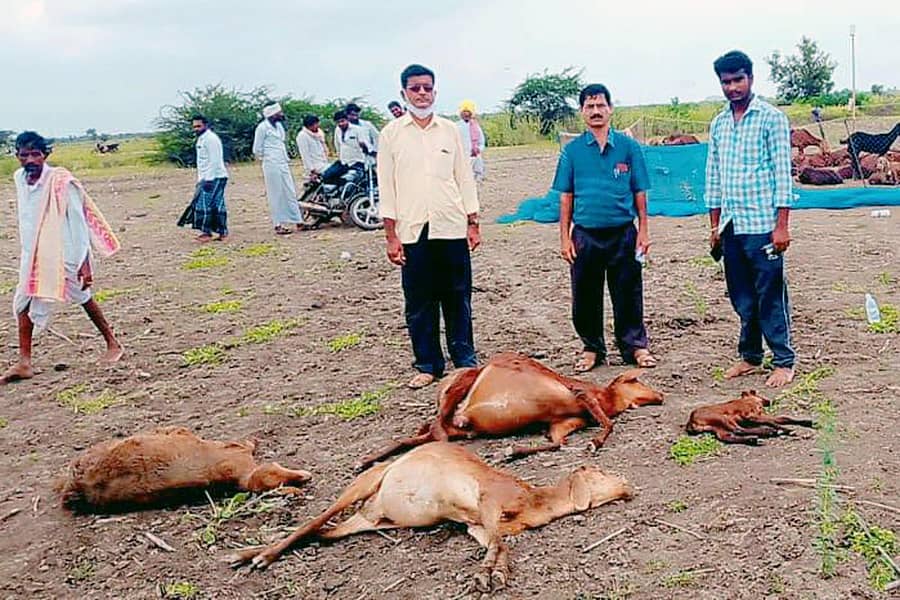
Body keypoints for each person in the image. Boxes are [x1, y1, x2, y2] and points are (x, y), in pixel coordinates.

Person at [378, 64, 480, 389]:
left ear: (435, 91)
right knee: (420, 301)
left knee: (458, 296)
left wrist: (472, 222)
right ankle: (428, 364)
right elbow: (387, 186)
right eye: (415, 88)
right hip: (412, 231)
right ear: (403, 93)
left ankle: (464, 360)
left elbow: (464, 177)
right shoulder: (391, 134)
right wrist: (391, 236)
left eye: (427, 88)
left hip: (450, 227)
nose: (422, 94)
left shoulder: (450, 130)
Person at [1, 132, 123, 385]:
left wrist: (84, 261)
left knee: (83, 297)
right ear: (17, 156)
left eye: (36, 154)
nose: (31, 159)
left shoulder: (61, 181)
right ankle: (25, 362)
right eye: (25, 155)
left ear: (47, 154)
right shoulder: (18, 179)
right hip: (32, 254)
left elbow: (78, 223)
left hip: (64, 252)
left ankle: (113, 343)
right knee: (22, 303)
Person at [705, 50, 795, 388]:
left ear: (751, 79)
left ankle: (783, 360)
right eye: (725, 82)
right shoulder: (719, 124)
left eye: (737, 80)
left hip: (763, 225)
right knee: (741, 295)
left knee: (770, 293)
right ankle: (750, 356)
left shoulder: (771, 118)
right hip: (732, 225)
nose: (732, 87)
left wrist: (782, 225)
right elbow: (713, 177)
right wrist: (714, 226)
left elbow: (782, 175)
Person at [552, 84, 657, 372]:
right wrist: (565, 238)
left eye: (601, 105)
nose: (596, 111)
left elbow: (640, 191)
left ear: (610, 109)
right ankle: (592, 348)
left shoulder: (628, 147)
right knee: (585, 294)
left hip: (624, 232)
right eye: (589, 106)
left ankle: (634, 346)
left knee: (628, 291)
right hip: (585, 234)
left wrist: (644, 231)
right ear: (582, 111)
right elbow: (565, 197)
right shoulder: (572, 151)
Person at [252, 102, 303, 235]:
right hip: (271, 164)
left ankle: (298, 221)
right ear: (271, 114)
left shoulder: (279, 126)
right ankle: (278, 224)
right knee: (276, 193)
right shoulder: (262, 128)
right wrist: (269, 158)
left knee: (290, 191)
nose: (281, 114)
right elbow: (257, 149)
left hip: (283, 161)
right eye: (278, 113)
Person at [178, 115, 228, 242]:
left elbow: (215, 160)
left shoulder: (211, 139)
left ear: (206, 125)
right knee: (214, 204)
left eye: (199, 126)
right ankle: (220, 231)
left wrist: (209, 179)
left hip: (214, 177)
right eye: (194, 126)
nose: (196, 129)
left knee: (206, 204)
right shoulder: (201, 139)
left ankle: (208, 232)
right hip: (207, 177)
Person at [457, 100, 486, 182]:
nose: (466, 114)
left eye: (468, 112)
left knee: (477, 178)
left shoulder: (476, 126)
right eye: (464, 112)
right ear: (461, 114)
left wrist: (478, 149)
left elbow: (482, 142)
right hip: (462, 158)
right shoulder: (456, 127)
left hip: (476, 157)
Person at [295, 114, 330, 179]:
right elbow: (305, 155)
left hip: (324, 163)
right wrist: (312, 170)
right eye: (315, 124)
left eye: (317, 123)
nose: (317, 126)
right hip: (315, 167)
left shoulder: (319, 133)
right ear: (309, 126)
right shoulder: (302, 136)